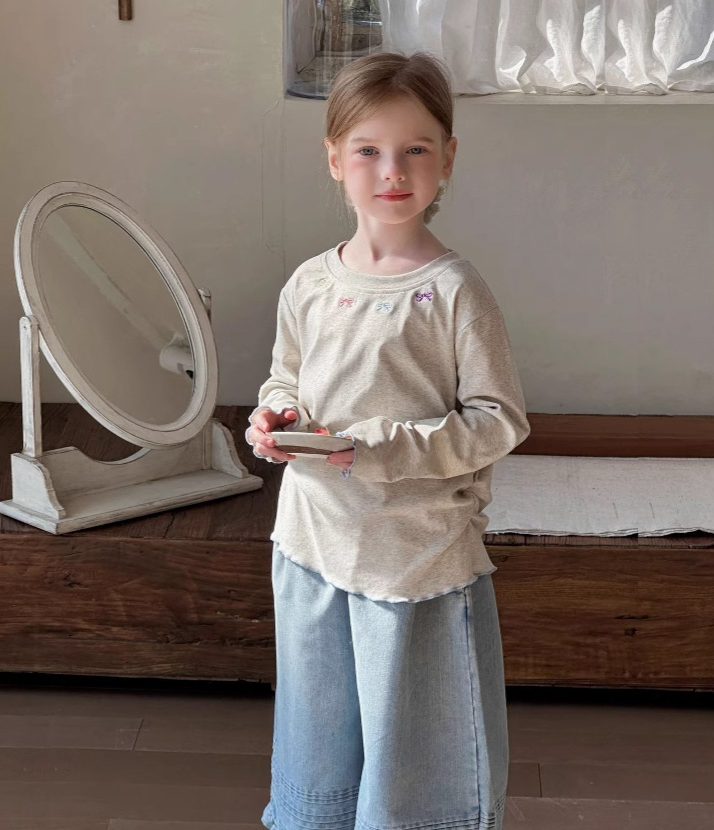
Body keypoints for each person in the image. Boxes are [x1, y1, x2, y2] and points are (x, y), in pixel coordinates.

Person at [245, 51, 530, 830]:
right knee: (317, 736)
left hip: (412, 561)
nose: (392, 170)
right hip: (311, 544)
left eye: (415, 149)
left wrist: (375, 447)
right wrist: (274, 419)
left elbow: (498, 420)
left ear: (448, 159)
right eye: (368, 149)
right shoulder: (310, 284)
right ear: (335, 159)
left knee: (415, 754)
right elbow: (284, 380)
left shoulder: (454, 292)